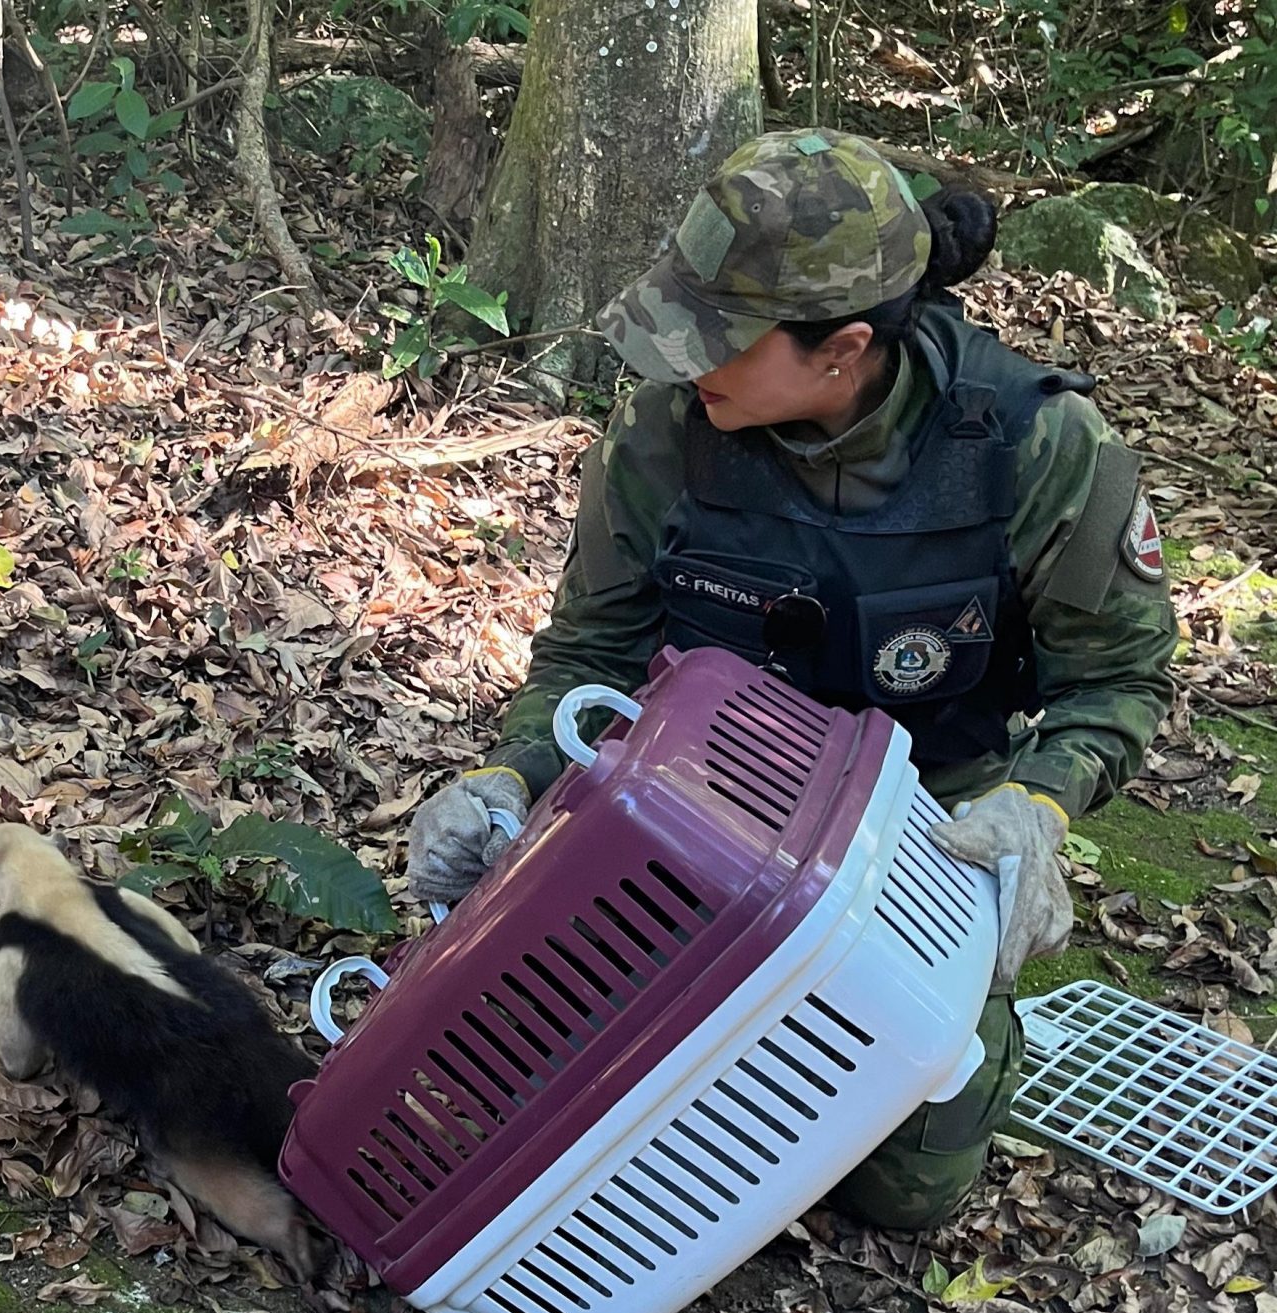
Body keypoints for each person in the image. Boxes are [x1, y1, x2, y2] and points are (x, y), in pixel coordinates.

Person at [404, 128, 1177, 1231]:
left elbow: (1118, 676)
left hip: (918, 838)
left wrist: (1037, 802)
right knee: (527, 1108)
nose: (678, 363)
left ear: (840, 346)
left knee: (898, 1191)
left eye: (714, 339)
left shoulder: (1036, 444)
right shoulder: (665, 432)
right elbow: (589, 650)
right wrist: (510, 773)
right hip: (688, 816)